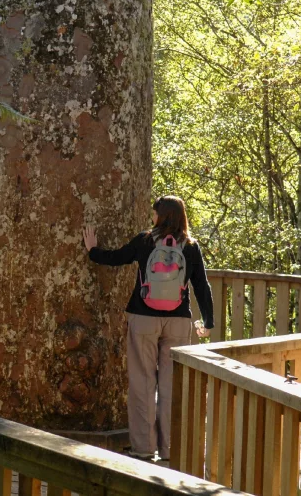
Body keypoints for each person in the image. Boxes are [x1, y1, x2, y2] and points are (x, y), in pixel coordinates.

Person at [83, 195, 213, 463]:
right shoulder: (190, 246)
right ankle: (168, 450)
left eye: (154, 213)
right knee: (170, 386)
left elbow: (116, 258)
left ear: (161, 215)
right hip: (178, 321)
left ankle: (143, 448)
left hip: (143, 318)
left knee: (142, 383)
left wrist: (93, 251)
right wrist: (207, 322)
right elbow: (201, 285)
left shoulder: (145, 240)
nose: (152, 218)